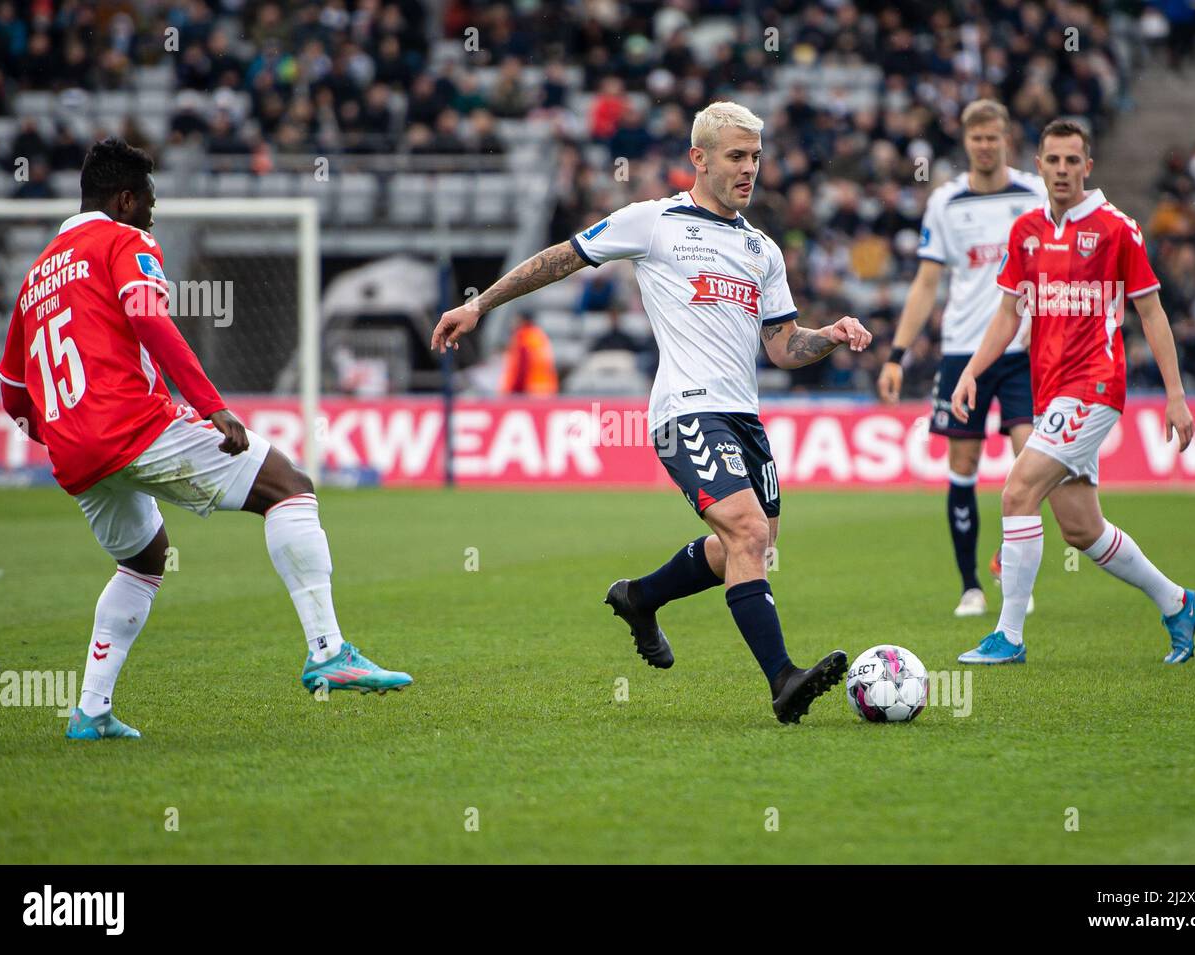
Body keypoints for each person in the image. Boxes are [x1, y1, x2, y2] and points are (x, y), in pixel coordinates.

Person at [433, 102, 873, 723]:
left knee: (752, 546)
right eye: (736, 157)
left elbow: (782, 346)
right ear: (699, 158)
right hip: (685, 409)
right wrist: (481, 306)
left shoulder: (762, 250)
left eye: (755, 157)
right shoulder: (654, 222)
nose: (750, 169)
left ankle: (640, 597)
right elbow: (560, 258)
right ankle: (783, 679)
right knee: (746, 532)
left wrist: (828, 334)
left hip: (743, 414)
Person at [0, 138, 411, 740]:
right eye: (150, 203)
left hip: (75, 451)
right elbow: (149, 320)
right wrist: (211, 406)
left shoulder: (34, 278)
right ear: (125, 198)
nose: (154, 215)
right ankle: (328, 652)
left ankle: (91, 710)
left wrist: (68, 431)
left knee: (143, 560)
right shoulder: (123, 241)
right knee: (289, 488)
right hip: (134, 425)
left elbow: (12, 393)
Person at [949, 119, 1195, 665]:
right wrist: (972, 370)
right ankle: (1178, 602)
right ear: (1039, 165)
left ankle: (1009, 637)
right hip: (1050, 391)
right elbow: (1006, 313)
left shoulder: (1117, 228)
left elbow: (1151, 312)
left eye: (1073, 161)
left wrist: (1176, 395)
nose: (1062, 170)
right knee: (1081, 528)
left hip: (1094, 385)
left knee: (1018, 491)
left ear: (1087, 167)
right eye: (1053, 160)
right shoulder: (1025, 231)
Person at [879, 100, 1047, 618]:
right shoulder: (946, 202)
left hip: (1022, 350)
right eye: (976, 138)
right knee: (964, 465)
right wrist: (897, 355)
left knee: (1032, 465)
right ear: (966, 142)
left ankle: (1009, 564)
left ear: (1007, 139)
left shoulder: (1035, 194)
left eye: (993, 137)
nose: (985, 145)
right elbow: (927, 282)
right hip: (961, 353)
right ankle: (971, 585)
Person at [499, 311, 559, 395]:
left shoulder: (523, 336)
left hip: (528, 390)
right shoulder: (538, 334)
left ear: (523, 321)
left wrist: (514, 389)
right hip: (544, 388)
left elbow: (523, 364)